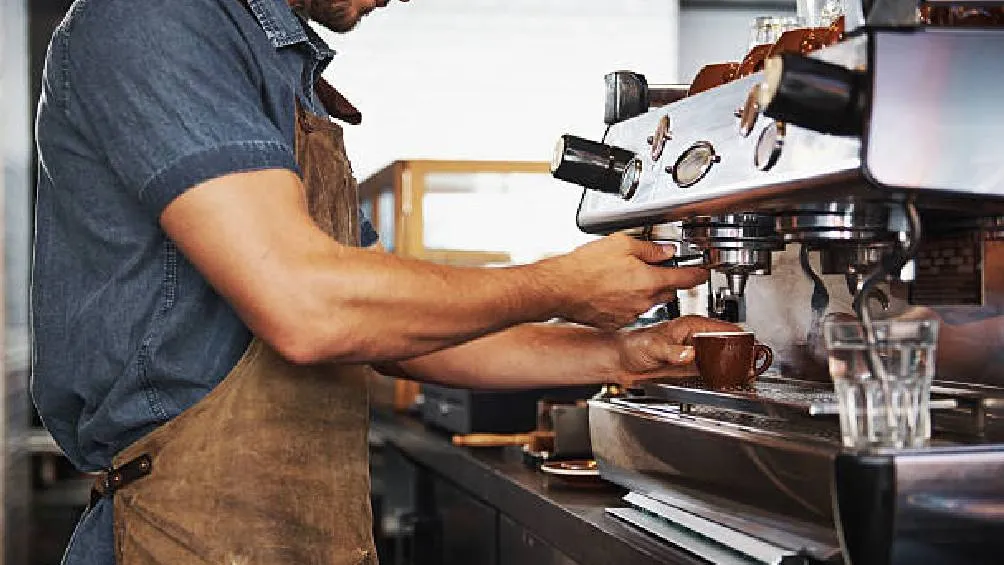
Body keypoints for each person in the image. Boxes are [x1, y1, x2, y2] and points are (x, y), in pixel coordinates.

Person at [31, 1, 737, 563]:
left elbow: (397, 339)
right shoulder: (153, 19)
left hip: (301, 532)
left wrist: (621, 355)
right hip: (185, 535)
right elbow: (310, 308)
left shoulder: (276, 66)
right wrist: (560, 284)